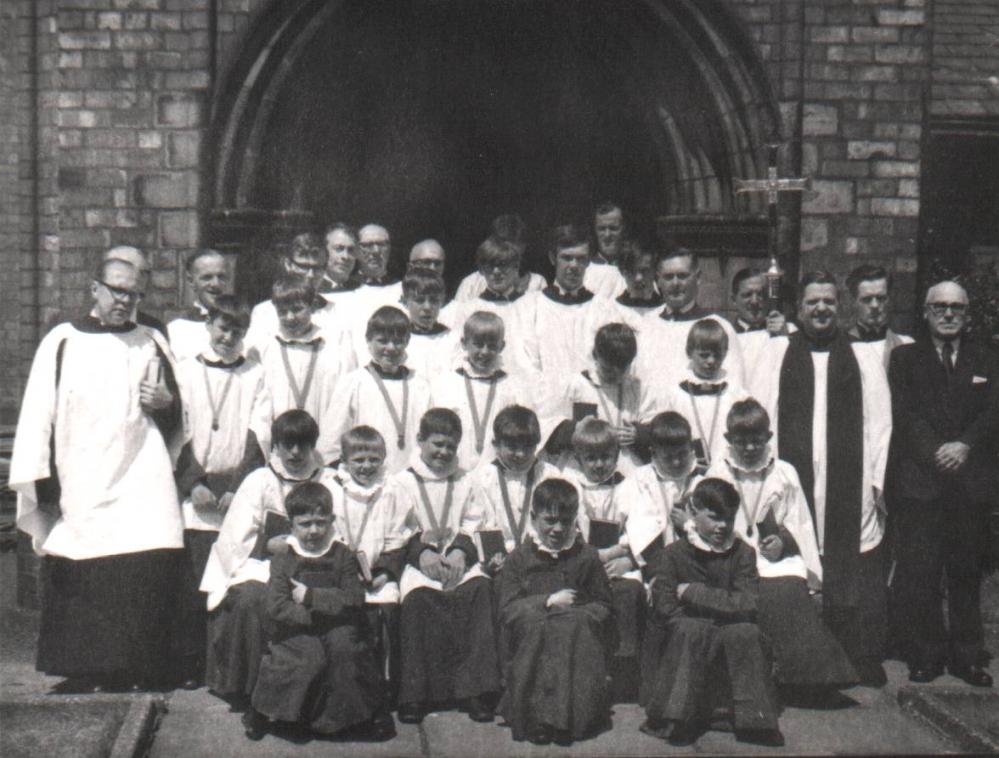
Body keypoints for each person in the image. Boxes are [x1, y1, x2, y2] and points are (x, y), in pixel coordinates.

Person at [11, 256, 183, 691]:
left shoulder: (151, 340)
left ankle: (139, 666)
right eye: (117, 290)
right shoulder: (63, 340)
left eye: (134, 293)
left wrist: (167, 403)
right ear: (95, 288)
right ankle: (85, 668)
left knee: (146, 557)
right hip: (82, 469)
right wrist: (44, 480)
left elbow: (179, 413)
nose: (125, 300)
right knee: (84, 564)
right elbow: (38, 413)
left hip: (141, 468)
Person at [748, 271, 892, 686]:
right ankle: (796, 659)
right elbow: (762, 414)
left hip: (850, 478)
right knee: (795, 551)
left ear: (839, 306)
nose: (822, 308)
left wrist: (875, 482)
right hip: (793, 478)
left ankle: (856, 655)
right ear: (799, 308)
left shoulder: (862, 356)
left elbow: (881, 424)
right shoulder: (778, 353)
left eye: (829, 301)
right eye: (813, 301)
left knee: (853, 563)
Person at [888, 280, 998, 687]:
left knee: (965, 572)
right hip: (923, 481)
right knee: (922, 571)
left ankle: (968, 657)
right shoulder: (905, 359)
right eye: (940, 307)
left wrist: (965, 445)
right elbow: (905, 413)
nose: (948, 314)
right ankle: (927, 654)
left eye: (956, 308)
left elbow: (994, 411)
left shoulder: (988, 357)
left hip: (970, 484)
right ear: (925, 312)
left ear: (967, 314)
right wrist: (936, 451)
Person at [707, 399, 858, 693]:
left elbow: (798, 518)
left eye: (756, 441)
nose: (750, 448)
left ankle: (804, 678)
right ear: (728, 439)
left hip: (771, 555)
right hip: (730, 552)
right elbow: (708, 515)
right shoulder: (718, 471)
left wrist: (782, 541)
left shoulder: (784, 472)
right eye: (741, 442)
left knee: (788, 586)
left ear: (769, 438)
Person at [200, 409, 339, 706]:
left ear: (314, 444)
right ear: (274, 445)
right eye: (287, 444)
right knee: (250, 599)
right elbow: (234, 538)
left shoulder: (330, 479)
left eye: (303, 444)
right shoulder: (260, 480)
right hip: (264, 565)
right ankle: (250, 690)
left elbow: (342, 528)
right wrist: (266, 544)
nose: (295, 452)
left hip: (316, 566)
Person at [242, 481, 394, 741]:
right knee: (307, 657)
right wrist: (313, 615)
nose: (313, 531)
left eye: (320, 522)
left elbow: (354, 598)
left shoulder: (342, 555)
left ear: (331, 521)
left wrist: (312, 596)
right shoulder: (284, 559)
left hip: (339, 626)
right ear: (291, 525)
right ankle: (263, 711)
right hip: (298, 627)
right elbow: (277, 605)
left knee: (346, 652)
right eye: (305, 524)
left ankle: (365, 714)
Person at [640, 478, 783, 748]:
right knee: (692, 630)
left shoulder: (743, 553)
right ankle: (677, 718)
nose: (722, 527)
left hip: (727, 624)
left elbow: (748, 603)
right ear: (694, 513)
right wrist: (717, 612)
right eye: (714, 518)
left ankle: (755, 721)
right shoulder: (673, 554)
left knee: (746, 633)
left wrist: (694, 592)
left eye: (729, 519)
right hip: (688, 628)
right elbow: (666, 607)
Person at [172, 295, 269, 688]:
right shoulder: (185, 371)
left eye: (238, 330)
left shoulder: (254, 374)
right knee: (194, 579)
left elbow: (259, 431)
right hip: (198, 493)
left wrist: (238, 487)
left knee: (231, 575)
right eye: (222, 327)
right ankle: (193, 663)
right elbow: (177, 431)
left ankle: (226, 665)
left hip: (233, 491)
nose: (229, 336)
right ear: (208, 324)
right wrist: (193, 483)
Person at [393, 409, 500, 724]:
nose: (443, 452)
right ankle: (415, 694)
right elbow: (397, 526)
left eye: (450, 447)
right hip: (421, 561)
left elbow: (478, 520)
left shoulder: (466, 480)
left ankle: (477, 691)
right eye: (437, 444)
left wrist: (460, 552)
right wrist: (421, 552)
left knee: (479, 590)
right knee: (415, 599)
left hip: (458, 559)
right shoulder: (401, 481)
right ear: (420, 441)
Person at [496, 478, 615, 745]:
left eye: (566, 520)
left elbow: (604, 605)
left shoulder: (586, 556)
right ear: (534, 518)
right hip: (533, 629)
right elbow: (508, 610)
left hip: (574, 628)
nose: (558, 529)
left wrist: (581, 613)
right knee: (540, 628)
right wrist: (546, 602)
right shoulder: (519, 558)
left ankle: (568, 720)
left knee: (570, 629)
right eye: (550, 520)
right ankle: (538, 718)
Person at [559, 418, 645, 695]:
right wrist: (588, 556)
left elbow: (639, 526)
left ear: (617, 456)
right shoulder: (569, 484)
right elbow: (565, 525)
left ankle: (622, 665)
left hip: (614, 560)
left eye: (606, 457)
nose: (598, 465)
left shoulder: (629, 486)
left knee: (629, 590)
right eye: (591, 458)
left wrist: (622, 554)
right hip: (579, 559)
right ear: (578, 458)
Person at [255, 274, 353, 463]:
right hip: (279, 451)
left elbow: (343, 403)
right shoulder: (266, 347)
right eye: (283, 311)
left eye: (297, 309)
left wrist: (327, 452)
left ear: (312, 306)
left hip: (322, 451)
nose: (290, 317)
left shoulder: (334, 346)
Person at [327, 306, 432, 474]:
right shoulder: (353, 383)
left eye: (398, 341)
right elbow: (332, 442)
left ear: (407, 341)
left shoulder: (419, 385)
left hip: (409, 478)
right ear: (368, 340)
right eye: (382, 340)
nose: (390, 348)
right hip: (365, 476)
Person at [525, 223, 619, 404]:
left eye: (581, 259)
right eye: (566, 258)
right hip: (547, 410)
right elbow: (528, 366)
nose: (574, 265)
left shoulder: (604, 310)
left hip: (594, 407)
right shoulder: (531, 306)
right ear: (553, 258)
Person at [545, 321, 656, 474]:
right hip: (581, 467)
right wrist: (574, 431)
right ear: (595, 355)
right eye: (608, 370)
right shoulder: (577, 385)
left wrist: (639, 434)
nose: (615, 376)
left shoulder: (638, 388)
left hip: (625, 467)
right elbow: (548, 424)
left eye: (622, 370)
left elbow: (657, 427)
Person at [429, 311, 529, 471]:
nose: (484, 352)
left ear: (502, 346)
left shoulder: (511, 386)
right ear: (464, 343)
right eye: (478, 344)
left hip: (496, 474)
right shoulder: (447, 383)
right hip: (455, 469)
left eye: (491, 346)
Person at [636, 248, 744, 388]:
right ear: (659, 281)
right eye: (668, 277)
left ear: (698, 277)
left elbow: (734, 385)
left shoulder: (720, 327)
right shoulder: (646, 324)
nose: (675, 283)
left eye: (682, 276)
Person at [443, 236, 541, 379]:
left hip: (525, 383)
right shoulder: (469, 308)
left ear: (515, 267)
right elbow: (458, 352)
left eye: (503, 265)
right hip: (485, 383)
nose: (496, 271)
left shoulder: (533, 304)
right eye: (490, 266)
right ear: (482, 270)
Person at [470, 405, 562, 555]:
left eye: (527, 447)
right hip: (499, 558)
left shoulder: (550, 475)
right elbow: (478, 525)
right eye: (512, 447)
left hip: (542, 556)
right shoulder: (484, 477)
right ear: (496, 445)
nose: (520, 454)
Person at [661, 319, 749, 468]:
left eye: (717, 355)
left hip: (726, 469)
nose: (711, 361)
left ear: (726, 353)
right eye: (704, 355)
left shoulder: (736, 394)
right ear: (689, 352)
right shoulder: (676, 395)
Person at [622, 412, 702, 571]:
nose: (677, 462)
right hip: (651, 560)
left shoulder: (700, 480)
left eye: (682, 454)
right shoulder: (641, 479)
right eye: (668, 457)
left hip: (694, 560)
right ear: (654, 453)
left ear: (691, 448)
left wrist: (689, 523)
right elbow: (633, 524)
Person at [246, 233, 343, 354]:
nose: (310, 275)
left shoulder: (338, 313)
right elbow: (253, 358)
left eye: (317, 267)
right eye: (304, 266)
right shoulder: (264, 312)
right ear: (288, 264)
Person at [453, 215, 547, 301]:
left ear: (523, 246)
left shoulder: (537, 282)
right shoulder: (471, 283)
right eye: (501, 243)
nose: (506, 250)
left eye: (514, 243)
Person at [168, 248, 232, 362]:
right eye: (207, 277)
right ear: (191, 281)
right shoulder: (177, 330)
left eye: (221, 276)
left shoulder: (242, 326)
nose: (216, 284)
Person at [846, 264, 913, 371]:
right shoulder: (843, 347)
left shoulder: (906, 345)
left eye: (881, 298)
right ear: (853, 302)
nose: (875, 305)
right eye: (867, 299)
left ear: (889, 300)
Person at [728, 267, 792, 371]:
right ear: (734, 300)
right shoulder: (727, 335)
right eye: (747, 295)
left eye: (760, 294)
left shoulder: (784, 332)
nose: (754, 301)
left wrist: (784, 338)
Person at [612, 238, 661, 326]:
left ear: (655, 271)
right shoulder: (613, 310)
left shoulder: (665, 310)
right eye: (632, 271)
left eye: (645, 271)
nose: (638, 278)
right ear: (623, 272)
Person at [584, 202, 628, 300]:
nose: (607, 235)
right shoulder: (585, 272)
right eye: (601, 229)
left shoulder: (636, 271)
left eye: (613, 228)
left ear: (623, 230)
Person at [320, 222, 361, 300]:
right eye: (339, 248)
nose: (345, 256)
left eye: (351, 250)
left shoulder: (361, 290)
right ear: (324, 251)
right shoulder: (312, 290)